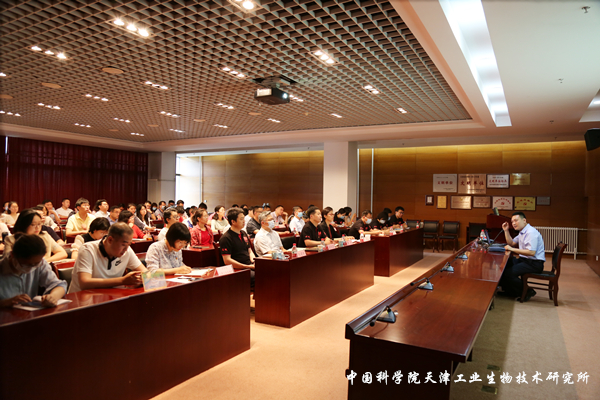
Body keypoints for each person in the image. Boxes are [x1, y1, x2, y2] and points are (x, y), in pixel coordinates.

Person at [68, 222, 147, 293]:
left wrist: (141, 278)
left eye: (129, 245)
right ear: (110, 240)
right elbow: (84, 283)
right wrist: (122, 280)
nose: (126, 249)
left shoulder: (127, 250)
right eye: (123, 244)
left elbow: (145, 272)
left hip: (110, 296)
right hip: (82, 298)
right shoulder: (88, 249)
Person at [0, 233, 67, 308]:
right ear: (12, 255)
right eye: (27, 264)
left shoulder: (40, 263)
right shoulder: (2, 269)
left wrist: (52, 297)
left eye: (36, 264)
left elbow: (59, 285)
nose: (32, 268)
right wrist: (7, 302)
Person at [499, 212, 546, 301]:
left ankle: (527, 291)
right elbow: (511, 243)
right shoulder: (522, 231)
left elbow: (531, 252)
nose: (513, 223)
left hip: (534, 263)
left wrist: (512, 249)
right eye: (512, 221)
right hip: (525, 260)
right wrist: (506, 230)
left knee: (509, 273)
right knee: (504, 266)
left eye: (516, 220)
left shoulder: (531, 232)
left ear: (524, 220)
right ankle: (510, 291)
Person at [3, 209, 68, 263]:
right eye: (33, 224)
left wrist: (43, 262)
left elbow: (62, 253)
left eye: (39, 224)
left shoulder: (45, 235)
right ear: (24, 225)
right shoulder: (11, 239)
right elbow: (8, 260)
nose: (37, 227)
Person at [219, 208, 255, 285]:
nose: (244, 221)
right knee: (260, 276)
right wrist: (248, 267)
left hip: (249, 265)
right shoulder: (226, 238)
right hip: (238, 269)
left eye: (244, 219)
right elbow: (227, 261)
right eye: (241, 219)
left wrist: (254, 261)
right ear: (233, 221)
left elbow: (250, 251)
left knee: (268, 271)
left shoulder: (243, 233)